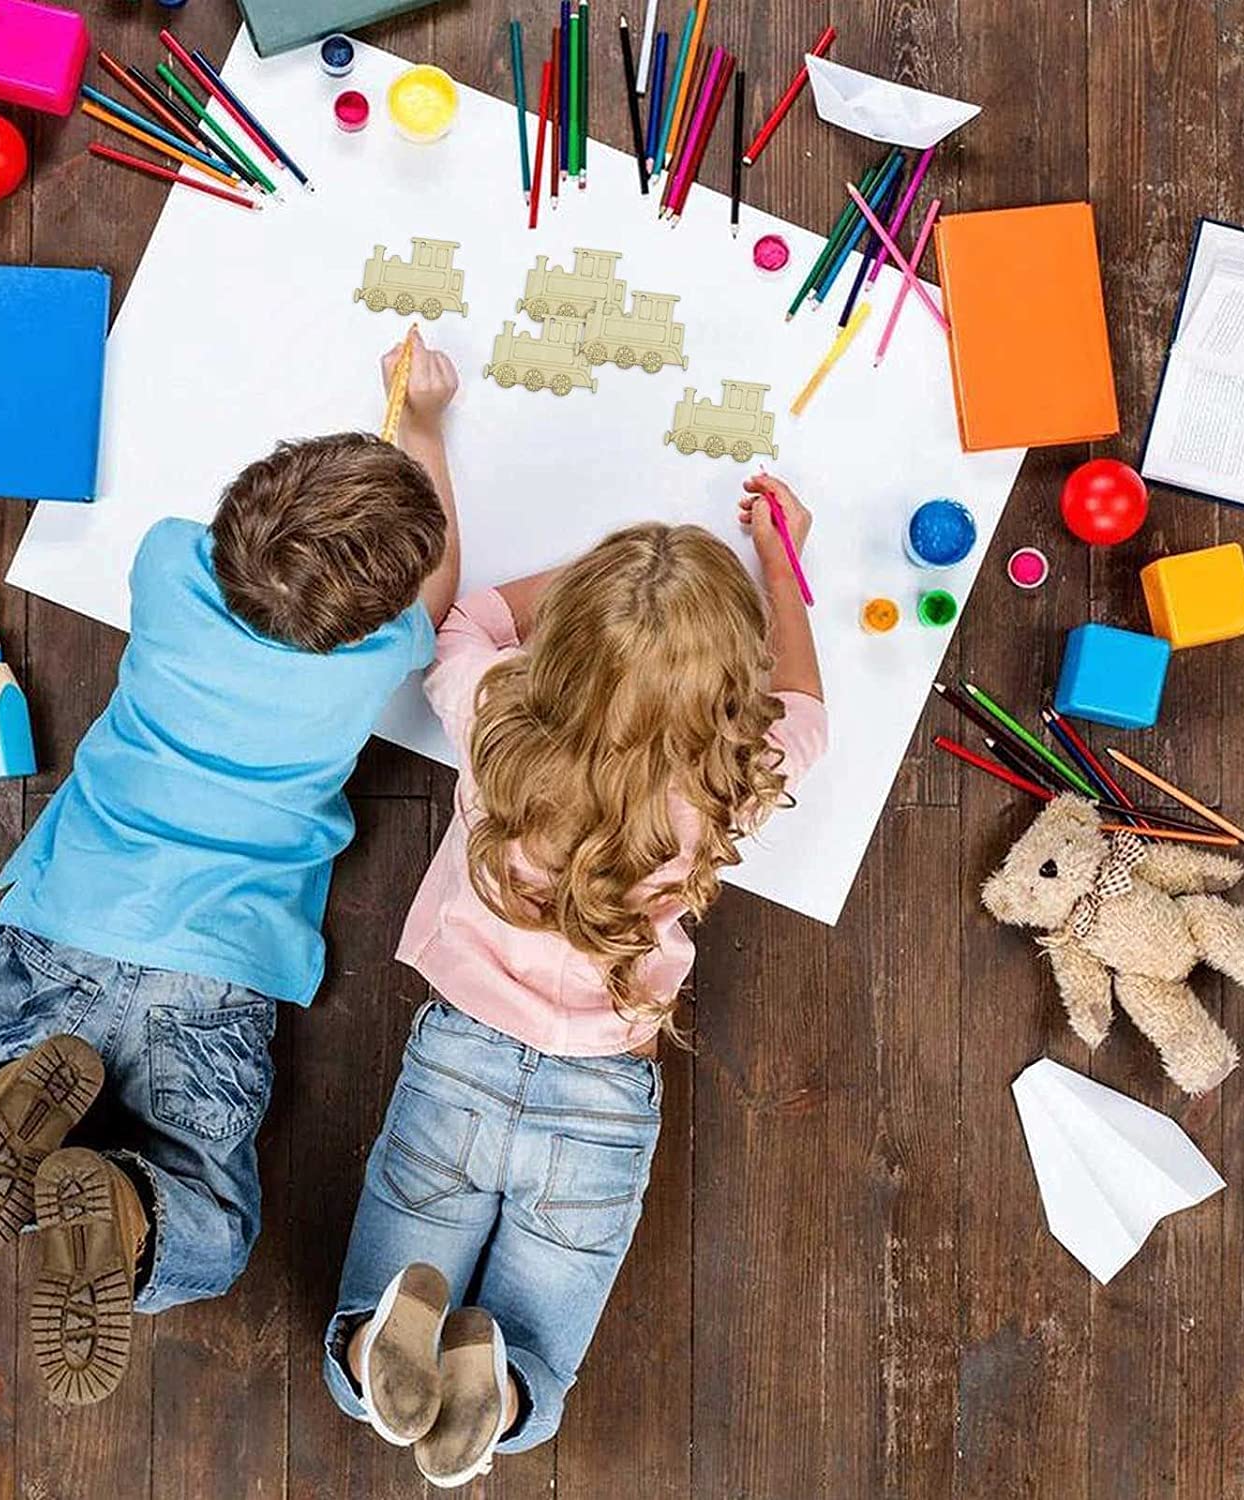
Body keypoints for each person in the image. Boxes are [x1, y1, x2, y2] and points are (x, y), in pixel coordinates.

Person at [0, 335, 461, 1406]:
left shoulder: (169, 561)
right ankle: (121, 1206)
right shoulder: (382, 654)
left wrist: (371, 449)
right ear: (373, 622)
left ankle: (52, 1148)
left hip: (73, 923)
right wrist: (422, 425)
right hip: (216, 977)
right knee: (205, 1238)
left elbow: (291, 547)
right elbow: (442, 587)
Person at [322, 475, 828, 1487]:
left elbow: (464, 616)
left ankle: (382, 1354)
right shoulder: (737, 767)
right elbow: (806, 700)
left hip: (458, 1063)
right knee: (540, 1355)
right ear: (731, 686)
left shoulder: (498, 715)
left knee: (374, 1323)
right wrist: (775, 562)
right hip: (600, 1095)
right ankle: (495, 1394)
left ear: (562, 646)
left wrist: (616, 579)